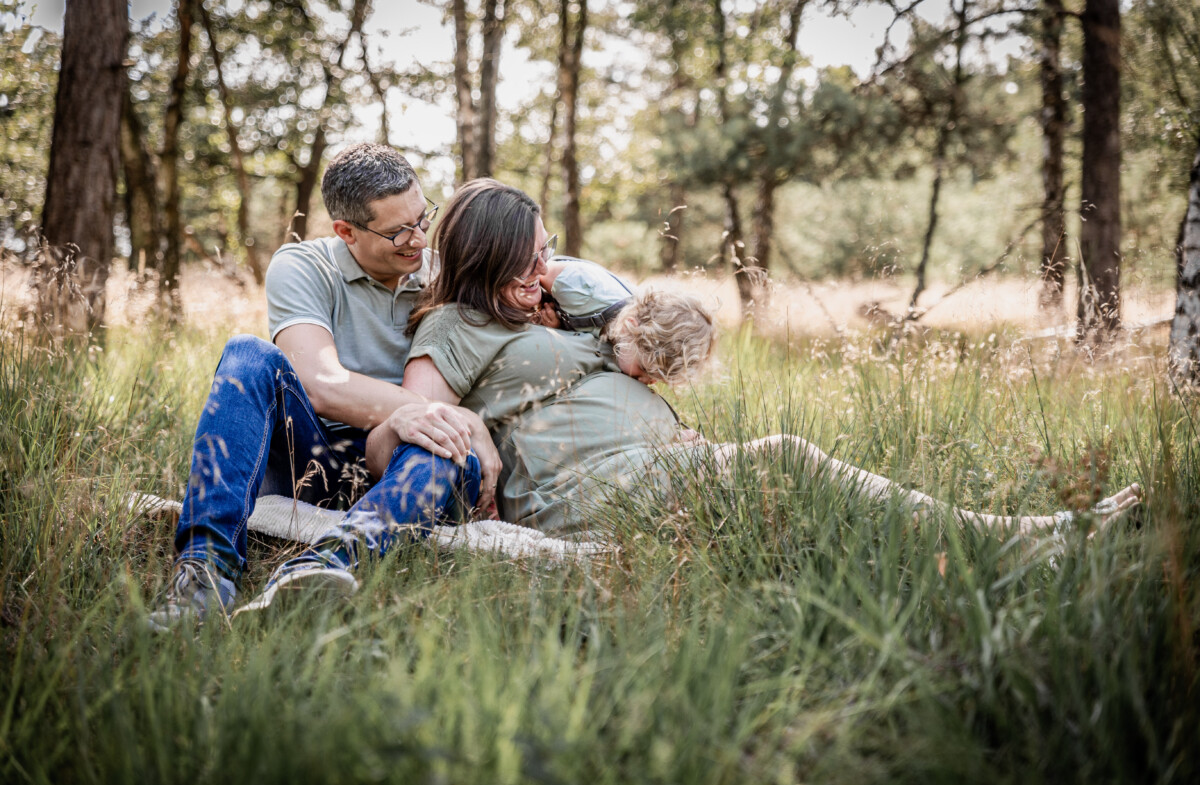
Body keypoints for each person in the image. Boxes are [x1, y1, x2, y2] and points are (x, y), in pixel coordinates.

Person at [248, 177, 1140, 605]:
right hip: (585, 493)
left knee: (799, 501)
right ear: (484, 261)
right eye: (528, 258)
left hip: (662, 466)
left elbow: (667, 327)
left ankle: (1008, 550)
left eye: (548, 251)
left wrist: (611, 325)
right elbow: (393, 437)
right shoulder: (451, 330)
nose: (544, 266)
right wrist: (463, 439)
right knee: (788, 457)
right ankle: (1018, 542)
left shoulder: (565, 302)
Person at [149, 144, 501, 631]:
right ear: (346, 231)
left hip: (408, 466)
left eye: (423, 219)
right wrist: (434, 413)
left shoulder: (445, 273)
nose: (418, 240)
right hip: (311, 451)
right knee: (248, 353)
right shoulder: (303, 265)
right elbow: (321, 384)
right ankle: (205, 573)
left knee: (439, 438)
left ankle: (321, 567)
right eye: (397, 230)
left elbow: (538, 269)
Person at [534, 256, 716, 386]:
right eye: (644, 369)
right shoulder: (579, 289)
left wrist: (558, 326)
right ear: (631, 326)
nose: (647, 381)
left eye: (656, 379)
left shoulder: (627, 339)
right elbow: (535, 274)